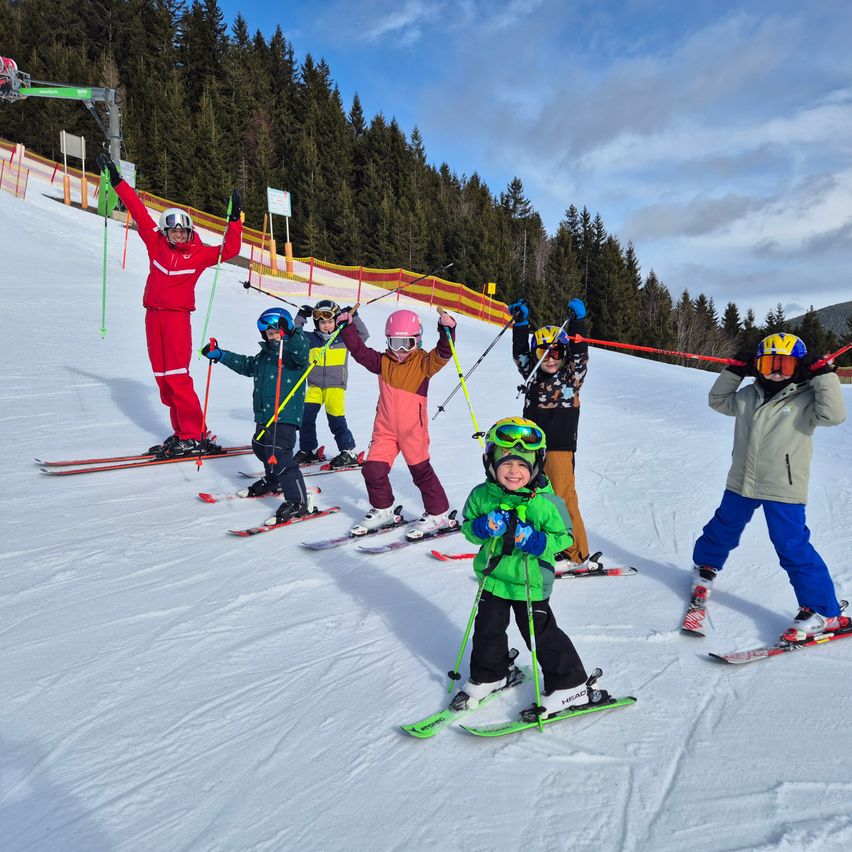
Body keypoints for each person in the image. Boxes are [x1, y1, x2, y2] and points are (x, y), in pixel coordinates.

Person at [690, 332, 848, 643]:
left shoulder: (806, 398)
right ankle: (705, 566)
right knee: (723, 527)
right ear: (756, 366)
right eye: (767, 363)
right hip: (742, 480)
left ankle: (825, 613)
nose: (775, 370)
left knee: (792, 546)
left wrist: (824, 375)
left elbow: (834, 415)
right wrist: (734, 370)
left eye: (785, 365)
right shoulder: (748, 394)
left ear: (799, 367)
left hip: (783, 486)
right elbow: (718, 401)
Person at [454, 416, 608, 721]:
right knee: (487, 630)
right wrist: (483, 527)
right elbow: (468, 529)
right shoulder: (482, 496)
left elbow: (563, 537)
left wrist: (536, 541)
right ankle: (490, 674)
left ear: (535, 467)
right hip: (493, 579)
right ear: (491, 464)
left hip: (531, 581)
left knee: (539, 634)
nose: (514, 471)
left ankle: (570, 684)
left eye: (522, 465)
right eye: (507, 463)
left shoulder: (545, 503)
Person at [95, 152, 242, 458]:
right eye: (173, 230)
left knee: (177, 375)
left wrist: (235, 219)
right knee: (163, 378)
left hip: (177, 320)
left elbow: (230, 248)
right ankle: (183, 432)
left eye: (183, 230)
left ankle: (194, 433)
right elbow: (137, 210)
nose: (178, 234)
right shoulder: (155, 243)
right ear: (165, 231)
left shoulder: (199, 254)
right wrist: (117, 180)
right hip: (153, 317)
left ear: (189, 231)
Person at [336, 306, 455, 538]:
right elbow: (360, 352)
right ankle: (384, 509)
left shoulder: (423, 363)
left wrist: (446, 329)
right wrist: (348, 328)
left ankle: (438, 513)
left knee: (421, 472)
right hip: (386, 430)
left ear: (417, 341)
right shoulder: (383, 362)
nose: (400, 350)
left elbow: (444, 352)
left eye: (407, 343)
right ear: (388, 341)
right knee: (372, 470)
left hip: (413, 430)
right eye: (395, 344)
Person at [202, 308, 314, 524]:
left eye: (276, 333)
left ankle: (298, 501)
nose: (273, 337)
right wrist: (222, 355)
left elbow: (300, 350)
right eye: (269, 334)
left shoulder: (293, 354)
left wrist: (290, 334)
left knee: (280, 454)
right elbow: (246, 365)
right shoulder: (265, 356)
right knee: (260, 447)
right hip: (264, 414)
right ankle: (274, 480)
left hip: (285, 415)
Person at [508, 296, 590, 564]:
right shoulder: (531, 376)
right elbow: (520, 352)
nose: (550, 359)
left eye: (555, 352)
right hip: (530, 446)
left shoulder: (571, 377)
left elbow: (580, 354)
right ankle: (540, 543)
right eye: (544, 353)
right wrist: (521, 324)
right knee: (533, 497)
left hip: (558, 447)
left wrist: (578, 322)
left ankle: (576, 553)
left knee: (563, 498)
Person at [292, 299, 368, 468]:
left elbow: (363, 336)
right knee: (306, 418)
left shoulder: (344, 338)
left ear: (336, 321)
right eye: (322, 323)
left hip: (335, 387)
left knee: (336, 418)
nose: (326, 326)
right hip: (314, 386)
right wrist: (300, 317)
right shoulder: (310, 339)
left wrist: (354, 317)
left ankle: (348, 451)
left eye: (329, 321)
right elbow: (293, 338)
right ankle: (307, 450)